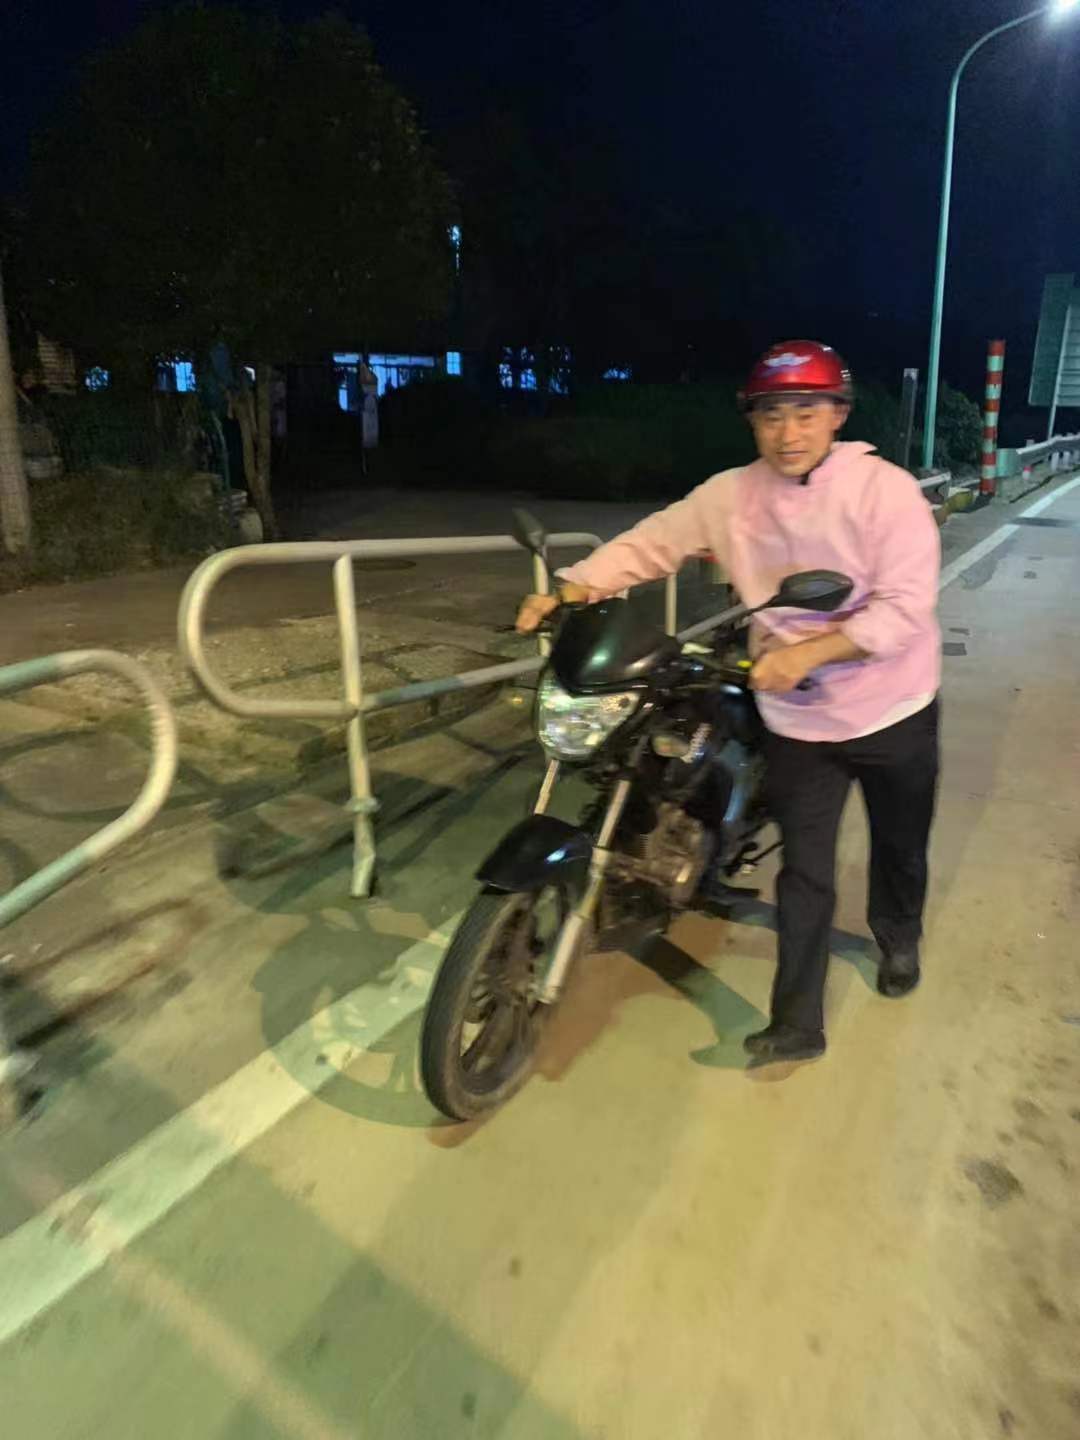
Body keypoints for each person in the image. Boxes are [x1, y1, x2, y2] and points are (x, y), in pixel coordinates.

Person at [516, 340, 941, 1065]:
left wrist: (809, 652)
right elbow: (655, 542)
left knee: (899, 846)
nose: (788, 433)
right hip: (799, 717)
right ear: (752, 422)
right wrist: (573, 586)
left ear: (837, 414)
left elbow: (905, 608)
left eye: (806, 412)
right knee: (805, 871)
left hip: (892, 707)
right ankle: (798, 1025)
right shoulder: (732, 494)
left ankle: (899, 936)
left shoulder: (885, 492)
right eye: (771, 415)